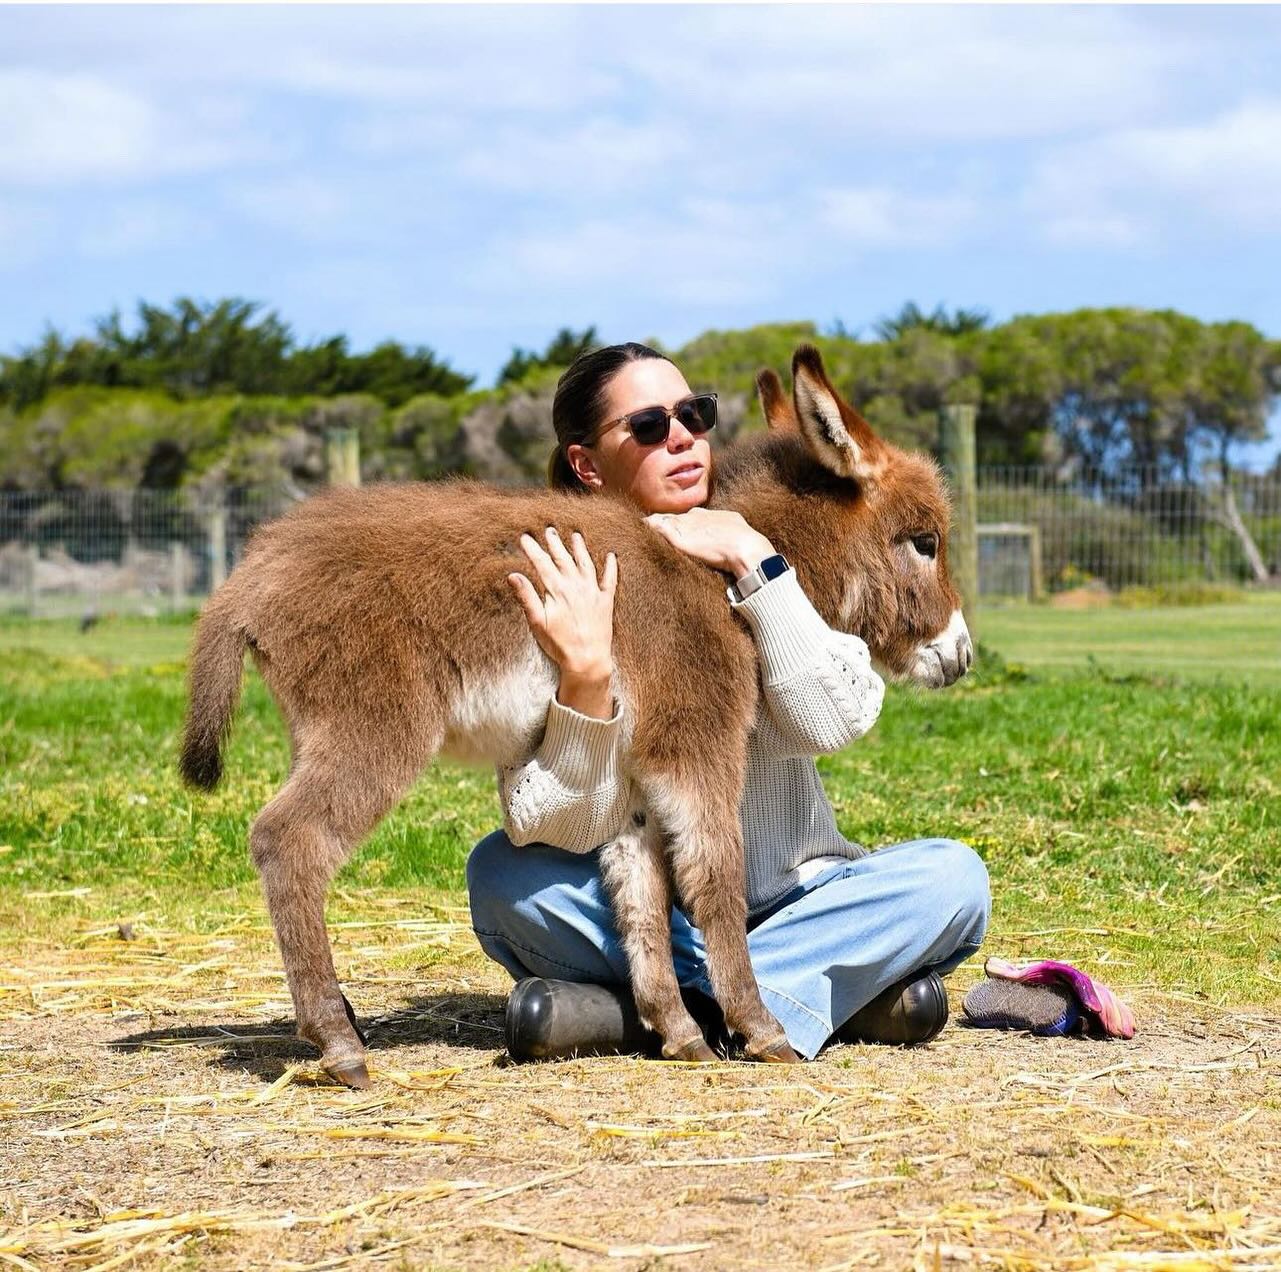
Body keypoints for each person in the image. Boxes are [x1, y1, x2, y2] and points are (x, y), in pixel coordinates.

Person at [466, 342, 990, 1062]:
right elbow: (547, 824)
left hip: (791, 899)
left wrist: (755, 563)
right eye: (648, 426)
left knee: (952, 879)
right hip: (645, 911)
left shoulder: (773, 549)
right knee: (502, 878)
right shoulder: (556, 579)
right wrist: (584, 682)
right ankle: (813, 997)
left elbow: (833, 720)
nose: (681, 436)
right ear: (587, 465)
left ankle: (638, 1011)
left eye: (693, 414)